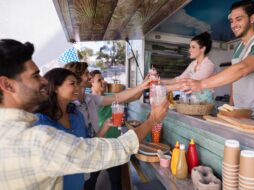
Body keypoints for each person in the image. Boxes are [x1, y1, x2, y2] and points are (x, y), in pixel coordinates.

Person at [0, 39, 168, 190]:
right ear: (7, 85)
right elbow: (111, 150)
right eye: (35, 76)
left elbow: (117, 100)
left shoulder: (75, 112)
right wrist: (153, 119)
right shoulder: (38, 137)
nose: (44, 80)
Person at [179, 0, 254, 115]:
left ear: (252, 19)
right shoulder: (238, 48)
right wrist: (231, 105)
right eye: (231, 21)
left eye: (239, 19)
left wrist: (201, 84)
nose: (233, 25)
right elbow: (235, 80)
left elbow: (242, 69)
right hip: (242, 113)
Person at [64, 62, 146, 190]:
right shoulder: (69, 107)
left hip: (101, 145)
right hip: (83, 156)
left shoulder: (89, 99)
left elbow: (119, 97)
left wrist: (144, 85)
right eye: (87, 74)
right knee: (88, 184)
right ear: (76, 78)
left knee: (113, 182)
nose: (90, 77)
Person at [33, 68, 113, 190]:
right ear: (55, 87)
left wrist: (105, 126)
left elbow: (87, 145)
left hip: (78, 184)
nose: (77, 87)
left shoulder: (76, 115)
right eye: (72, 84)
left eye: (77, 83)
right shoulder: (40, 122)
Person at [162, 32, 216, 103]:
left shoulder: (208, 65)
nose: (189, 50)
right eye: (190, 47)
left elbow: (189, 84)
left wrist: (162, 88)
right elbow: (180, 79)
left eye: (193, 47)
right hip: (193, 103)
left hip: (205, 105)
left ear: (202, 49)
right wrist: (160, 81)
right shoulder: (193, 64)